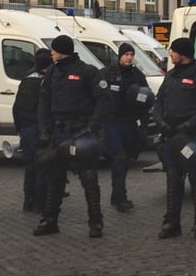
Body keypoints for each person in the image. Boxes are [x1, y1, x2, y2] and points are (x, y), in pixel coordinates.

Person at [33, 35, 108, 238]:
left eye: (54, 49)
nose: (51, 52)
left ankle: (96, 222)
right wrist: (43, 130)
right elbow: (43, 102)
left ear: (62, 51)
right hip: (58, 132)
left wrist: (92, 126)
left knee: (89, 178)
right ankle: (50, 220)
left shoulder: (87, 71)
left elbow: (102, 100)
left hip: (81, 131)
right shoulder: (52, 72)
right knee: (54, 177)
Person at [152, 37, 196, 240]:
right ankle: (171, 223)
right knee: (173, 180)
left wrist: (190, 125)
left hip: (191, 136)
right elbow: (159, 101)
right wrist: (159, 120)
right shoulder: (171, 75)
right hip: (171, 136)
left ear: (183, 54)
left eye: (173, 51)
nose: (170, 54)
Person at [99, 42, 150, 212]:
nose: (129, 58)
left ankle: (117, 194)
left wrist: (144, 125)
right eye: (126, 54)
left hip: (129, 122)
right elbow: (97, 97)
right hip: (111, 122)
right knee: (119, 158)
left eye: (131, 55)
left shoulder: (137, 76)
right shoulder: (107, 73)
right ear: (120, 55)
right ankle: (120, 197)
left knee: (125, 159)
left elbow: (145, 100)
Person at [13, 48, 53, 213]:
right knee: (43, 167)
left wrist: (20, 129)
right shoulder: (46, 82)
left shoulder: (26, 80)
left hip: (26, 130)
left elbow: (16, 107)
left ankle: (28, 201)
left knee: (30, 168)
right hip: (40, 130)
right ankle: (40, 203)